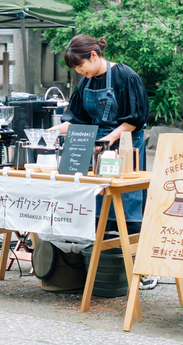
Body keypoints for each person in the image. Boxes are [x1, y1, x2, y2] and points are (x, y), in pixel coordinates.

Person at [50, 34, 149, 232]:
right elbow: (77, 121)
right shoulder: (85, 83)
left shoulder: (125, 76)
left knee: (125, 204)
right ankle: (98, 254)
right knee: (97, 205)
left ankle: (127, 251)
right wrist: (50, 132)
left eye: (80, 66)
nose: (79, 72)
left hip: (124, 146)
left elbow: (135, 119)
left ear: (93, 55)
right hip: (97, 148)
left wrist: (108, 139)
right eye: (76, 69)